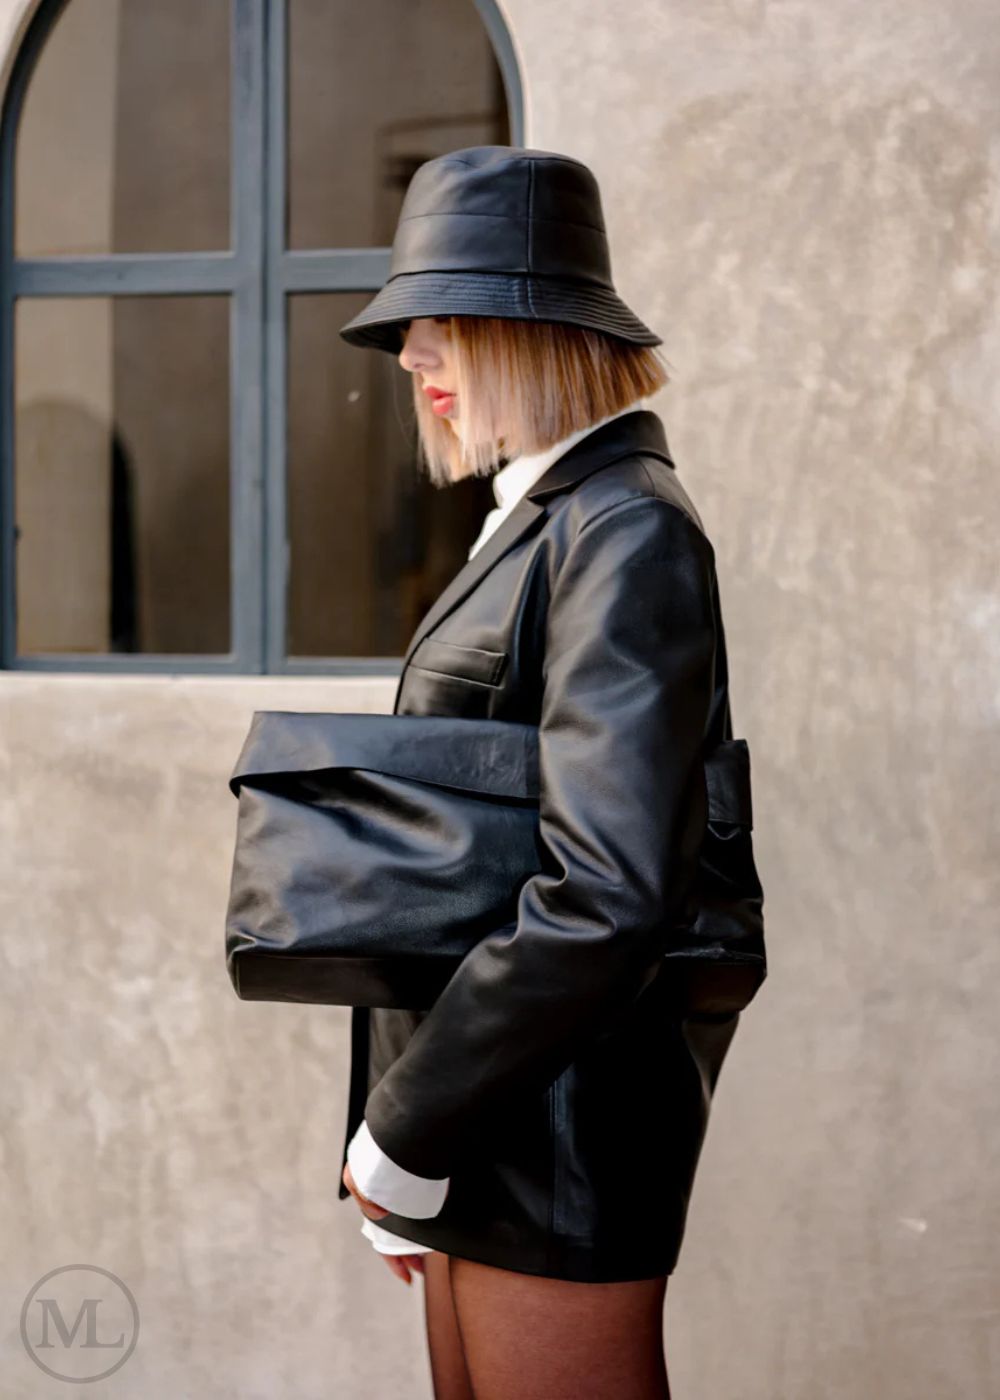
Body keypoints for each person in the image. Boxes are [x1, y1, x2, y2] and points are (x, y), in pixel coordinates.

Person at [334, 146, 750, 1400]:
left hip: (561, 1126)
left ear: (527, 328)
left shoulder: (623, 529)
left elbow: (608, 893)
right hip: (488, 1117)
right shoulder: (546, 520)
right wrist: (407, 1129)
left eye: (440, 327)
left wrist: (405, 1125)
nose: (409, 359)